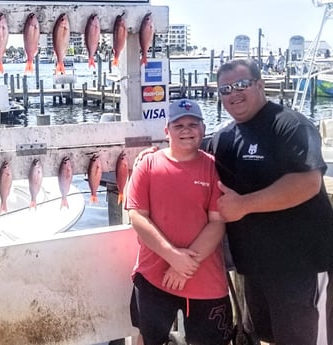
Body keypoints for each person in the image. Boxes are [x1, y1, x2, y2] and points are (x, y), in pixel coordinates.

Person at [212, 58, 333, 344]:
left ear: (260, 84)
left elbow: (307, 182)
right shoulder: (223, 138)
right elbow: (189, 157)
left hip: (301, 263)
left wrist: (243, 205)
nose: (234, 93)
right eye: (225, 89)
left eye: (241, 84)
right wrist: (151, 156)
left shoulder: (290, 125)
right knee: (266, 336)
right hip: (254, 266)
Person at [126, 99, 233, 345]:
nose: (186, 130)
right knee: (149, 336)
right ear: (167, 131)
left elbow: (217, 222)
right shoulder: (148, 164)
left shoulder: (214, 167)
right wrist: (172, 256)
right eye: (179, 125)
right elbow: (137, 216)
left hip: (205, 279)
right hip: (154, 275)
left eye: (193, 124)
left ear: (203, 129)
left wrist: (184, 265)